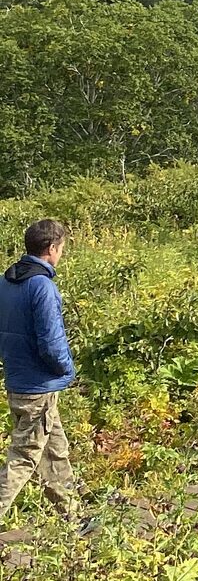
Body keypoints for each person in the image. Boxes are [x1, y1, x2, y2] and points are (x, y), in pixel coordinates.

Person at [0, 218, 79, 524]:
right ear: (51, 248)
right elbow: (51, 342)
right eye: (61, 248)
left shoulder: (6, 282)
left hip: (18, 381)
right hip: (39, 387)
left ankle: (73, 517)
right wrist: (68, 370)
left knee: (54, 452)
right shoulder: (41, 286)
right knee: (23, 458)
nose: (61, 254)